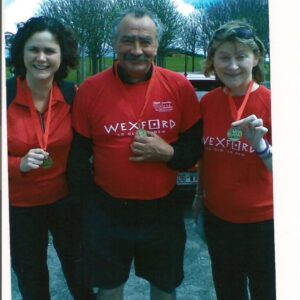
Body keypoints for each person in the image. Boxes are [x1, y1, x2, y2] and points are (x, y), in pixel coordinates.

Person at [68, 7, 202, 300]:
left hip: (163, 211)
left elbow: (194, 149)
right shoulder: (90, 90)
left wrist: (169, 153)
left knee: (165, 286)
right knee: (109, 286)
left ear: (156, 45)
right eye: (128, 40)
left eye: (146, 41)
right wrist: (83, 209)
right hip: (107, 211)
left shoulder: (179, 87)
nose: (137, 50)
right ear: (115, 43)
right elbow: (77, 158)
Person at [6, 16, 93, 300]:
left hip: (65, 202)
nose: (41, 58)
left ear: (61, 56)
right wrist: (17, 164)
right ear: (21, 52)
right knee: (31, 279)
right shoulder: (5, 95)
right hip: (19, 207)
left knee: (81, 274)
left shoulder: (72, 95)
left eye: (50, 51)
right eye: (33, 50)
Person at [193, 20, 275, 299]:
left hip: (265, 222)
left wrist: (261, 146)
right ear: (213, 61)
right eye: (224, 57)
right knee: (228, 291)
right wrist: (198, 199)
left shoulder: (274, 102)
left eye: (241, 56)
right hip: (220, 220)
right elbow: (207, 158)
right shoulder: (208, 103)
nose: (232, 66)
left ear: (256, 58)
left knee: (267, 291)